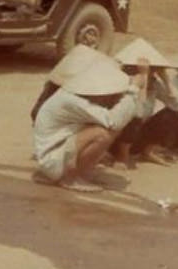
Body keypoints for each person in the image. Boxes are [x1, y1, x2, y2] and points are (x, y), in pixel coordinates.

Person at [32, 48, 149, 192]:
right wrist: (133, 91)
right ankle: (70, 178)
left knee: (107, 127)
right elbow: (115, 121)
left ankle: (74, 173)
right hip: (53, 161)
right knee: (102, 133)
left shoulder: (70, 95)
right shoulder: (73, 101)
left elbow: (136, 114)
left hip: (53, 155)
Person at [112, 37, 178, 167]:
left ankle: (147, 152)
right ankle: (121, 156)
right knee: (135, 120)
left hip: (136, 135)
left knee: (172, 114)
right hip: (116, 137)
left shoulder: (154, 84)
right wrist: (143, 77)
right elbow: (138, 112)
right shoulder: (124, 81)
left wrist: (166, 81)